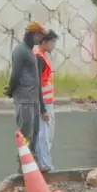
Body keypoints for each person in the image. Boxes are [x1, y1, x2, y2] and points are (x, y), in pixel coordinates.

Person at [4, 21, 48, 172]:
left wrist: (41, 106)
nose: (40, 39)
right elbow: (15, 74)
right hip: (24, 100)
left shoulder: (30, 52)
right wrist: (10, 90)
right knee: (26, 134)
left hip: (33, 100)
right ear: (32, 34)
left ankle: (32, 167)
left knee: (34, 134)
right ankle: (22, 169)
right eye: (39, 36)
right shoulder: (21, 51)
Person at [34, 30, 59, 172]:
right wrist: (43, 109)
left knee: (46, 134)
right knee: (44, 135)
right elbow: (37, 84)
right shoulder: (39, 58)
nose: (54, 45)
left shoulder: (41, 56)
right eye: (53, 42)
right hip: (44, 103)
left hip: (47, 101)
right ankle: (45, 165)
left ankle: (43, 163)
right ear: (44, 42)